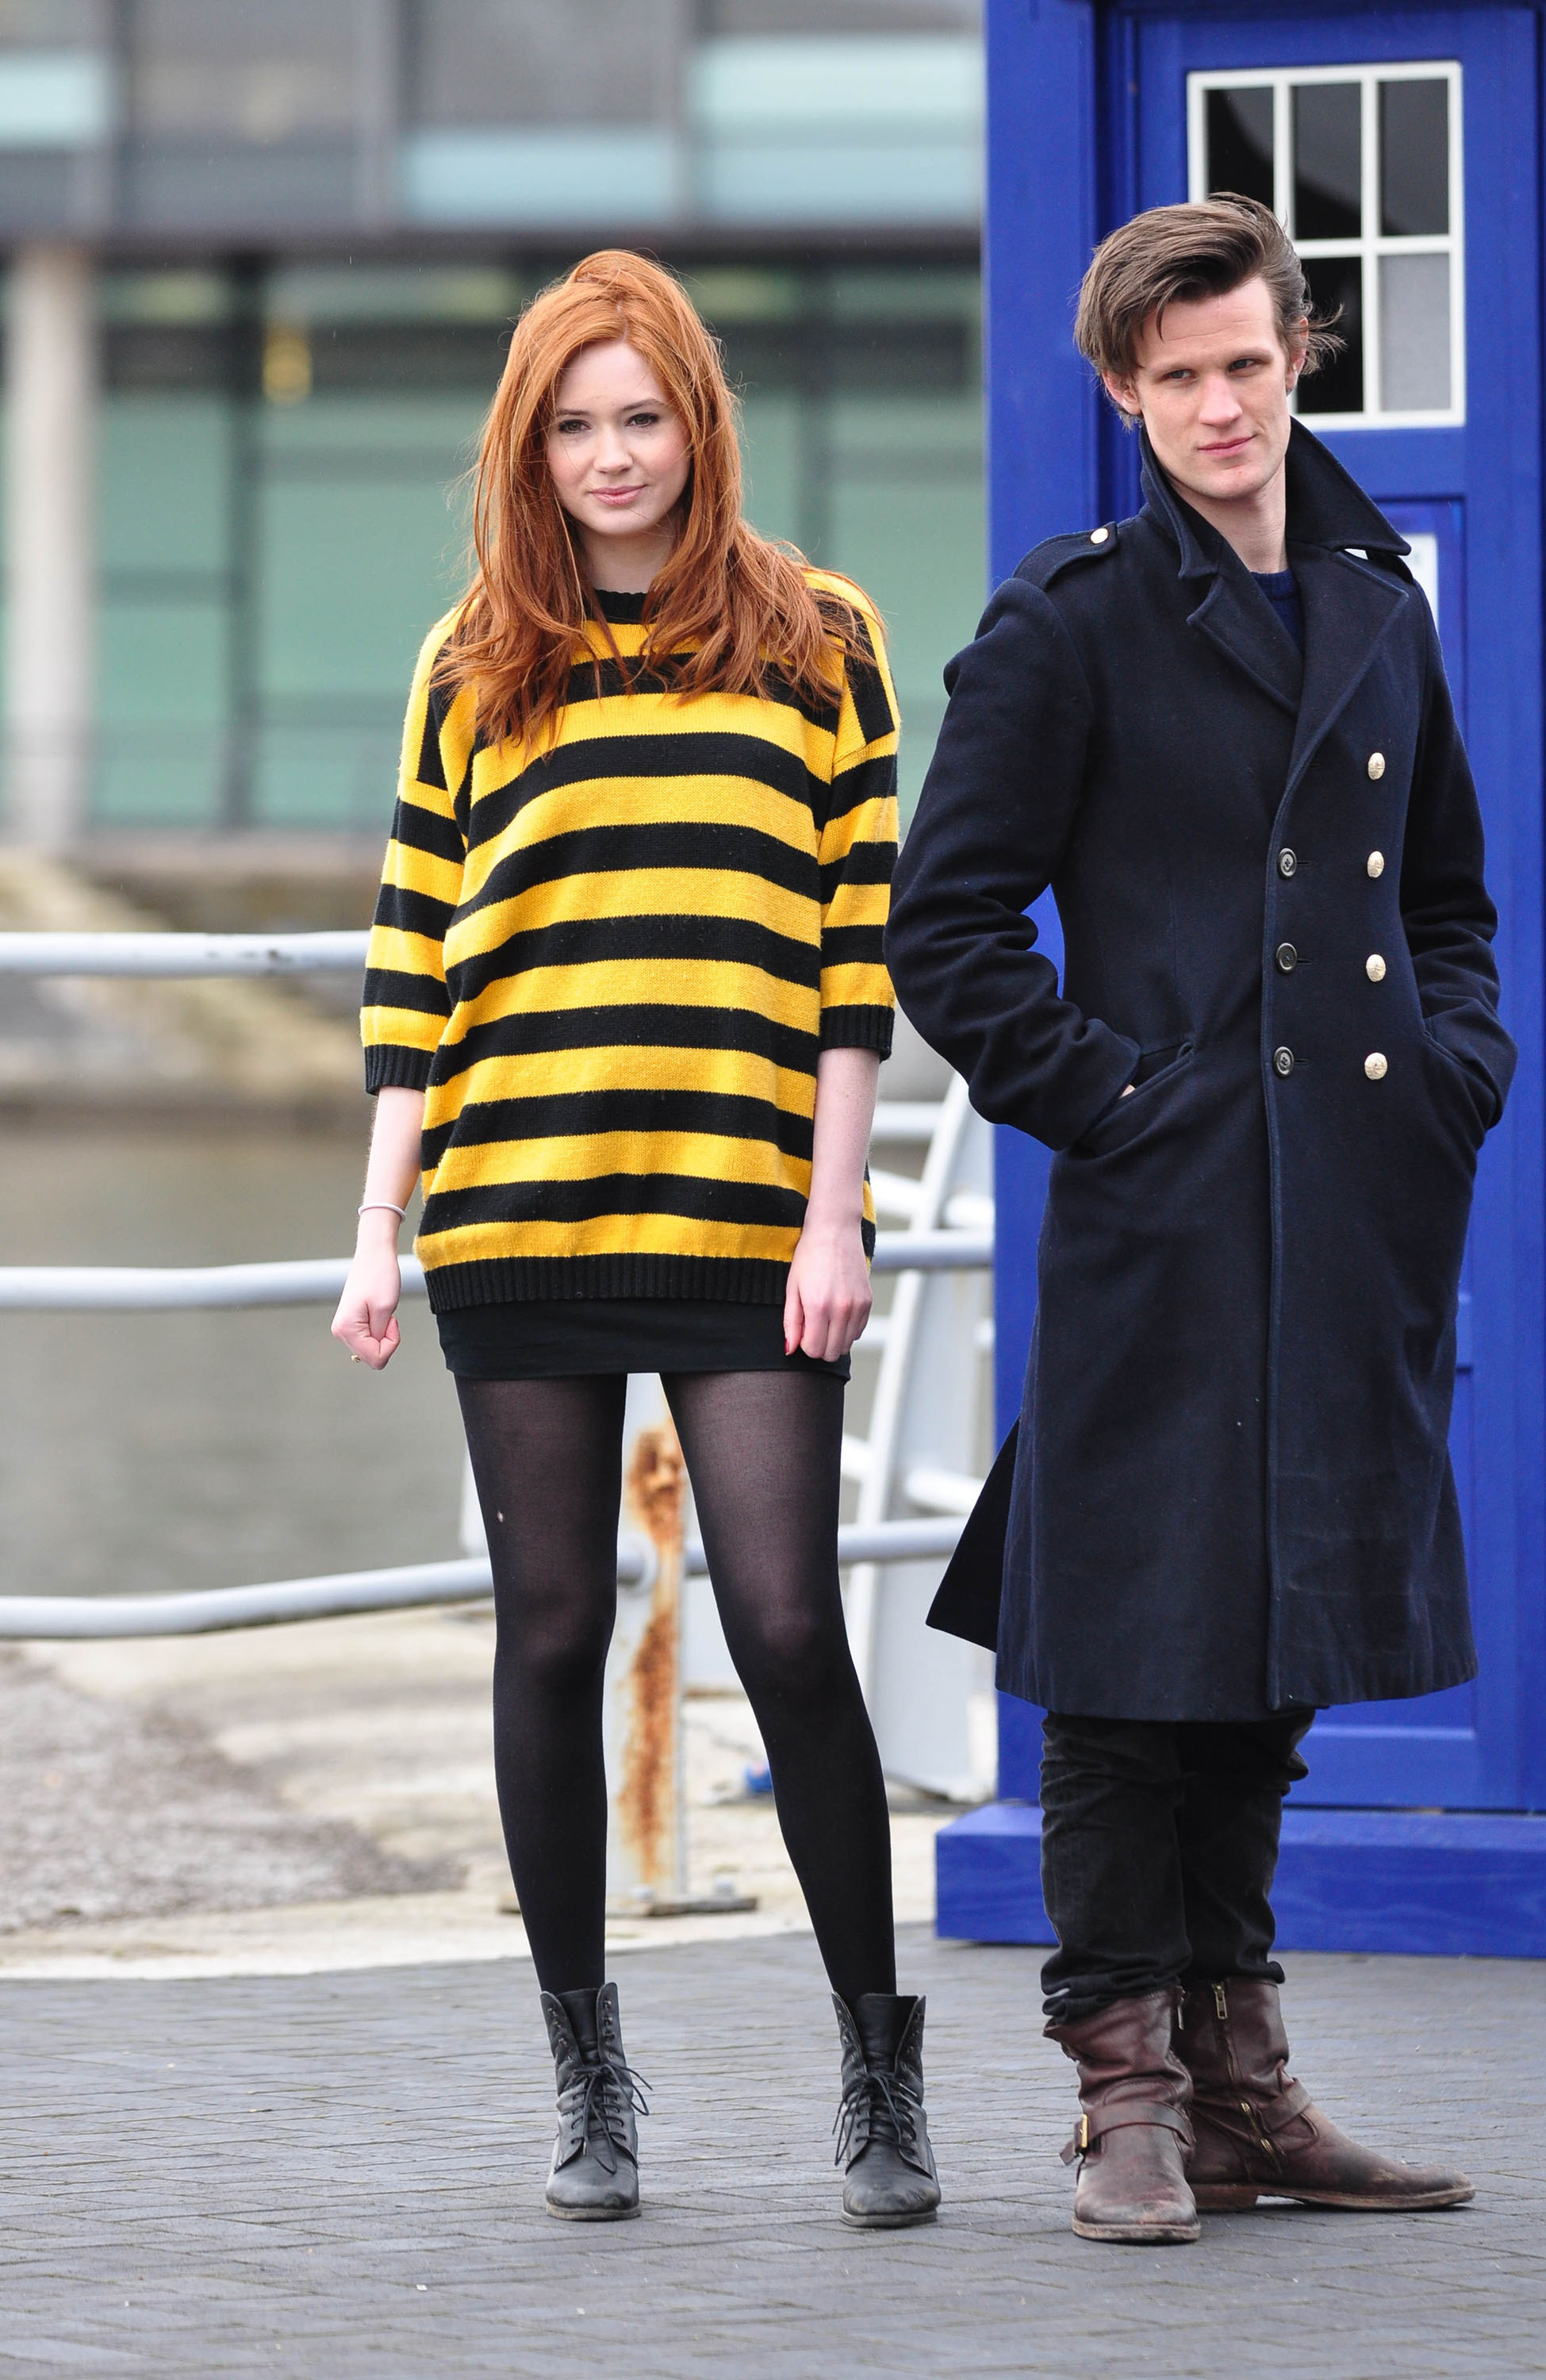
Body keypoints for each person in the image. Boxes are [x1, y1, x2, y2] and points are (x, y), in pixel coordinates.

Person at [887, 197, 1511, 2244]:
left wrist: (1453, 1073)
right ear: (1120, 391)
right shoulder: (1068, 621)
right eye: (1178, 379)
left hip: (1351, 1208)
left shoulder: (1377, 601)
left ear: (1295, 354)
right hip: (1161, 1218)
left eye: (1246, 364)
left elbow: (1446, 901)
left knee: (1271, 1652)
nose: (1221, 406)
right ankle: (1126, 2096)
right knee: (1123, 1660)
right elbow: (945, 932)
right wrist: (1119, 1105)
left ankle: (1243, 2085)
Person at [331, 250, 939, 2232]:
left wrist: (838, 1210)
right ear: (530, 449)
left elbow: (855, 957)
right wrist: (377, 1227)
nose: (611, 456)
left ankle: (880, 2073)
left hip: (751, 1211)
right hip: (517, 1203)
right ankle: (588, 2080)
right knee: (551, 1635)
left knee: (788, 1626)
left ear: (700, 420)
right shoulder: (472, 659)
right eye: (573, 427)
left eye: (642, 416)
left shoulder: (819, 636)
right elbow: (415, 957)